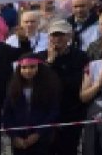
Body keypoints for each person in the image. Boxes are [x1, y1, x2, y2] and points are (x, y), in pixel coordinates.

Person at [34, 19, 89, 155]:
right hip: (46, 112)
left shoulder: (80, 56)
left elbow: (75, 83)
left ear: (69, 36)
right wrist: (50, 63)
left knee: (69, 149)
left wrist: (55, 70)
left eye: (61, 35)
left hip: (71, 111)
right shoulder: (40, 57)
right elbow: (38, 84)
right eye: (54, 35)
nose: (57, 39)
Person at [2, 54, 61, 155]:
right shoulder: (13, 89)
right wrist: (14, 136)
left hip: (42, 140)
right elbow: (7, 114)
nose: (28, 71)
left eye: (32, 67)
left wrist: (38, 134)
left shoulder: (48, 88)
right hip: (19, 141)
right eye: (24, 67)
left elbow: (53, 113)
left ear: (39, 67)